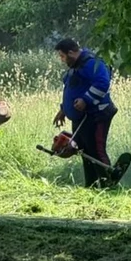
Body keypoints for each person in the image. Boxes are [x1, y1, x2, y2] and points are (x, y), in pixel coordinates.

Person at [53, 38, 119, 188]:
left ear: (71, 52)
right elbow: (73, 87)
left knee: (96, 150)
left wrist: (86, 100)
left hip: (96, 115)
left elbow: (102, 83)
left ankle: (108, 184)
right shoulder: (76, 65)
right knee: (84, 151)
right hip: (81, 118)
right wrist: (63, 109)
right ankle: (91, 185)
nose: (62, 60)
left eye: (62, 56)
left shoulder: (92, 62)